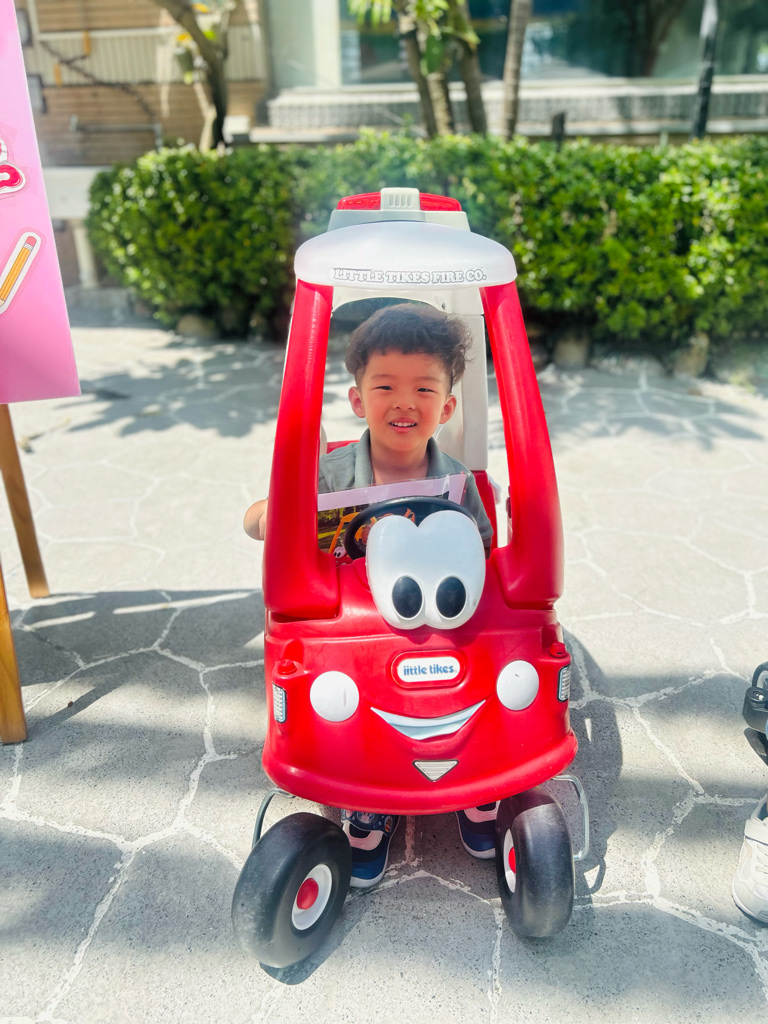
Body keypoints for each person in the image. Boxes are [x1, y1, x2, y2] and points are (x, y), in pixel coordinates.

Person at [244, 302, 497, 888]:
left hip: (435, 626)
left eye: (424, 389)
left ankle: (475, 775)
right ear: (358, 400)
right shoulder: (331, 474)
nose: (404, 402)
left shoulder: (457, 481)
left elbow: (483, 552)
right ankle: (366, 798)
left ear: (446, 407)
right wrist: (276, 514)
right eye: (385, 387)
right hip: (352, 636)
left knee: (480, 659)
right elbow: (258, 520)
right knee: (347, 700)